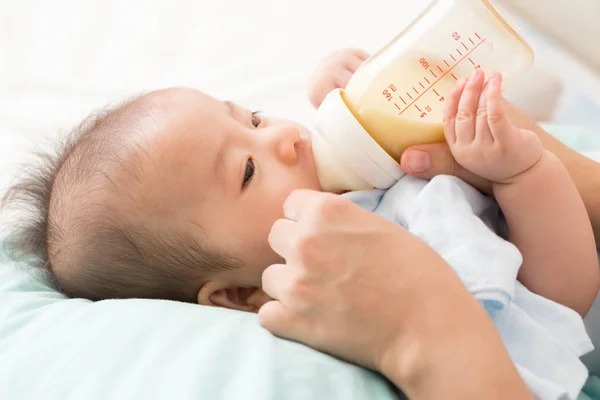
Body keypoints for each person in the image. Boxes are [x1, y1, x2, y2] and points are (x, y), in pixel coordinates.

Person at [1, 48, 598, 397]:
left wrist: (366, 99)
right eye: (247, 171)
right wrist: (525, 178)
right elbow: (562, 295)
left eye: (254, 118)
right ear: (238, 294)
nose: (286, 136)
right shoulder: (343, 304)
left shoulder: (379, 190)